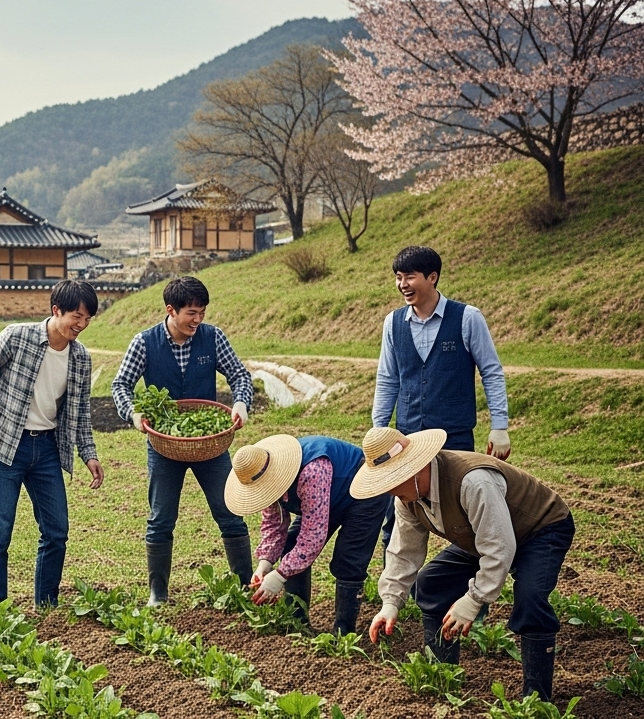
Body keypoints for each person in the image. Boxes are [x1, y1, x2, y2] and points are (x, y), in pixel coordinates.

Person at [354, 426, 574, 700]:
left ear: (414, 469)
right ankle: (442, 679)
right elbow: (403, 552)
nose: (389, 491)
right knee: (433, 583)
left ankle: (537, 701)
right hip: (483, 536)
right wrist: (390, 603)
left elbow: (499, 547)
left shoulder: (472, 481)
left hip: (540, 528)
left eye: (392, 480)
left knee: (530, 598)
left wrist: (473, 600)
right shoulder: (407, 498)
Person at [111, 275, 254, 606]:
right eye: (191, 313)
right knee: (161, 518)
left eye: (202, 312)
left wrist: (241, 404)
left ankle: (245, 586)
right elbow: (121, 385)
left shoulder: (212, 338)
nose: (198, 320)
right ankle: (157, 593)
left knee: (230, 511)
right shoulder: (144, 343)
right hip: (164, 444)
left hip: (209, 443)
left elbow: (239, 375)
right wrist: (133, 414)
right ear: (171, 310)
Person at [0, 280, 105, 608]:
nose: (81, 325)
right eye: (76, 316)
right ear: (56, 310)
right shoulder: (18, 336)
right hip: (5, 447)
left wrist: (89, 455)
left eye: (88, 319)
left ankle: (46, 605)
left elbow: (80, 412)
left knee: (57, 531)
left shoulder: (80, 358)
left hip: (46, 449)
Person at [372, 245, 510, 546]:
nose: (402, 285)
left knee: (466, 514)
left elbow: (492, 371)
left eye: (410, 277)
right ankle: (397, 590)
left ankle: (466, 589)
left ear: (432, 277)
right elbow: (387, 378)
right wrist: (378, 427)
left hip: (454, 437)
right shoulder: (393, 323)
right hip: (406, 438)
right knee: (398, 518)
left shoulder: (467, 318)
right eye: (398, 277)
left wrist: (500, 426)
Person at [224, 434, 389, 634]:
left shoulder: (312, 470)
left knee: (348, 560)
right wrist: (264, 565)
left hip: (363, 491)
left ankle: (344, 633)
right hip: (321, 500)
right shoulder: (262, 478)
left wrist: (279, 577)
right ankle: (298, 623)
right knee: (292, 545)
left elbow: (312, 538)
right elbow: (274, 525)